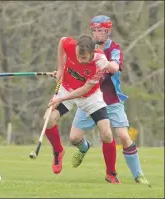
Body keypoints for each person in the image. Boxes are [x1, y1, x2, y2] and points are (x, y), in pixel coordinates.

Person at [70, 15, 150, 186]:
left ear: (108, 31)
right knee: (74, 138)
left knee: (122, 135)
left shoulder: (114, 49)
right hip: (90, 99)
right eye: (94, 30)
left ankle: (138, 174)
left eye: (100, 30)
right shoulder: (87, 49)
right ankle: (84, 147)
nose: (97, 34)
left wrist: (101, 59)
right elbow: (76, 67)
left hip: (111, 100)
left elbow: (114, 67)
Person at [45, 34, 121, 183]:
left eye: (84, 58)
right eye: (78, 56)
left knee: (106, 133)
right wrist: (60, 70)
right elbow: (61, 41)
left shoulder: (100, 61)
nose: (80, 60)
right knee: (48, 119)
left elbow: (86, 88)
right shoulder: (71, 45)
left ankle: (110, 173)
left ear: (92, 53)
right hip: (66, 88)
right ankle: (58, 151)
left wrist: (60, 98)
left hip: (89, 96)